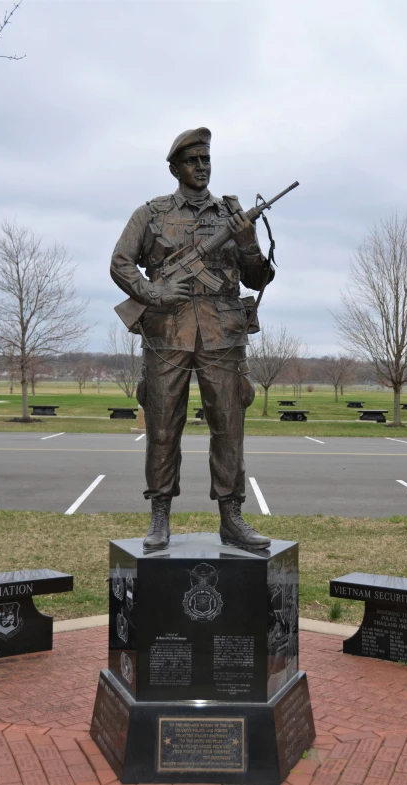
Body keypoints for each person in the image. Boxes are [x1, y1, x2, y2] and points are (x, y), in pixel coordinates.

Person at [111, 127, 273, 550]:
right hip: (167, 336)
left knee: (229, 428)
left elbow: (257, 279)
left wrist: (248, 241)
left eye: (206, 160)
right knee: (163, 429)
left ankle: (231, 516)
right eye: (191, 161)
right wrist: (153, 293)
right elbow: (120, 263)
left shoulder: (231, 214)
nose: (201, 167)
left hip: (223, 336)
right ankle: (160, 514)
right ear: (174, 168)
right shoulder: (151, 214)